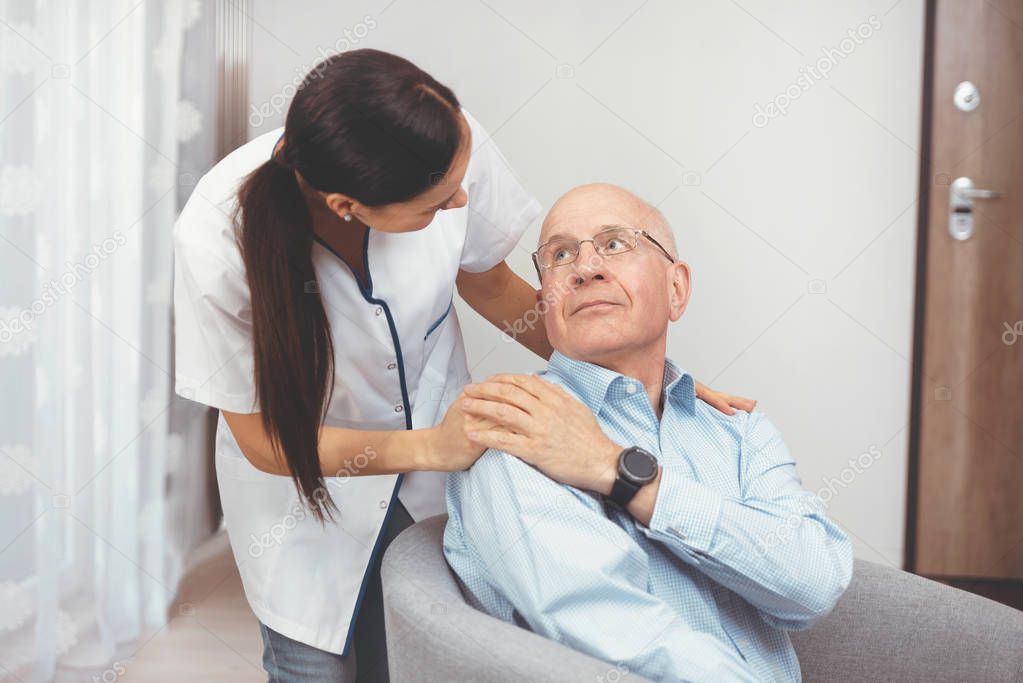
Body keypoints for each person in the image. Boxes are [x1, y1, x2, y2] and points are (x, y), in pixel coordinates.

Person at [173, 49, 754, 682]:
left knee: (420, 651)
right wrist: (435, 448)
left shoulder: (446, 136)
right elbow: (264, 439)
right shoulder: (214, 237)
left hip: (432, 473)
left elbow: (492, 285)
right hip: (304, 493)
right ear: (348, 205)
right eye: (433, 206)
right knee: (316, 666)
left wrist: (648, 382)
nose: (459, 204)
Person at [445, 183, 853, 682]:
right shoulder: (516, 430)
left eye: (615, 243)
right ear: (544, 304)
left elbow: (813, 585)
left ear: (676, 289)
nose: (586, 267)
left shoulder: (740, 432)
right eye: (560, 254)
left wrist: (623, 475)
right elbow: (626, 643)